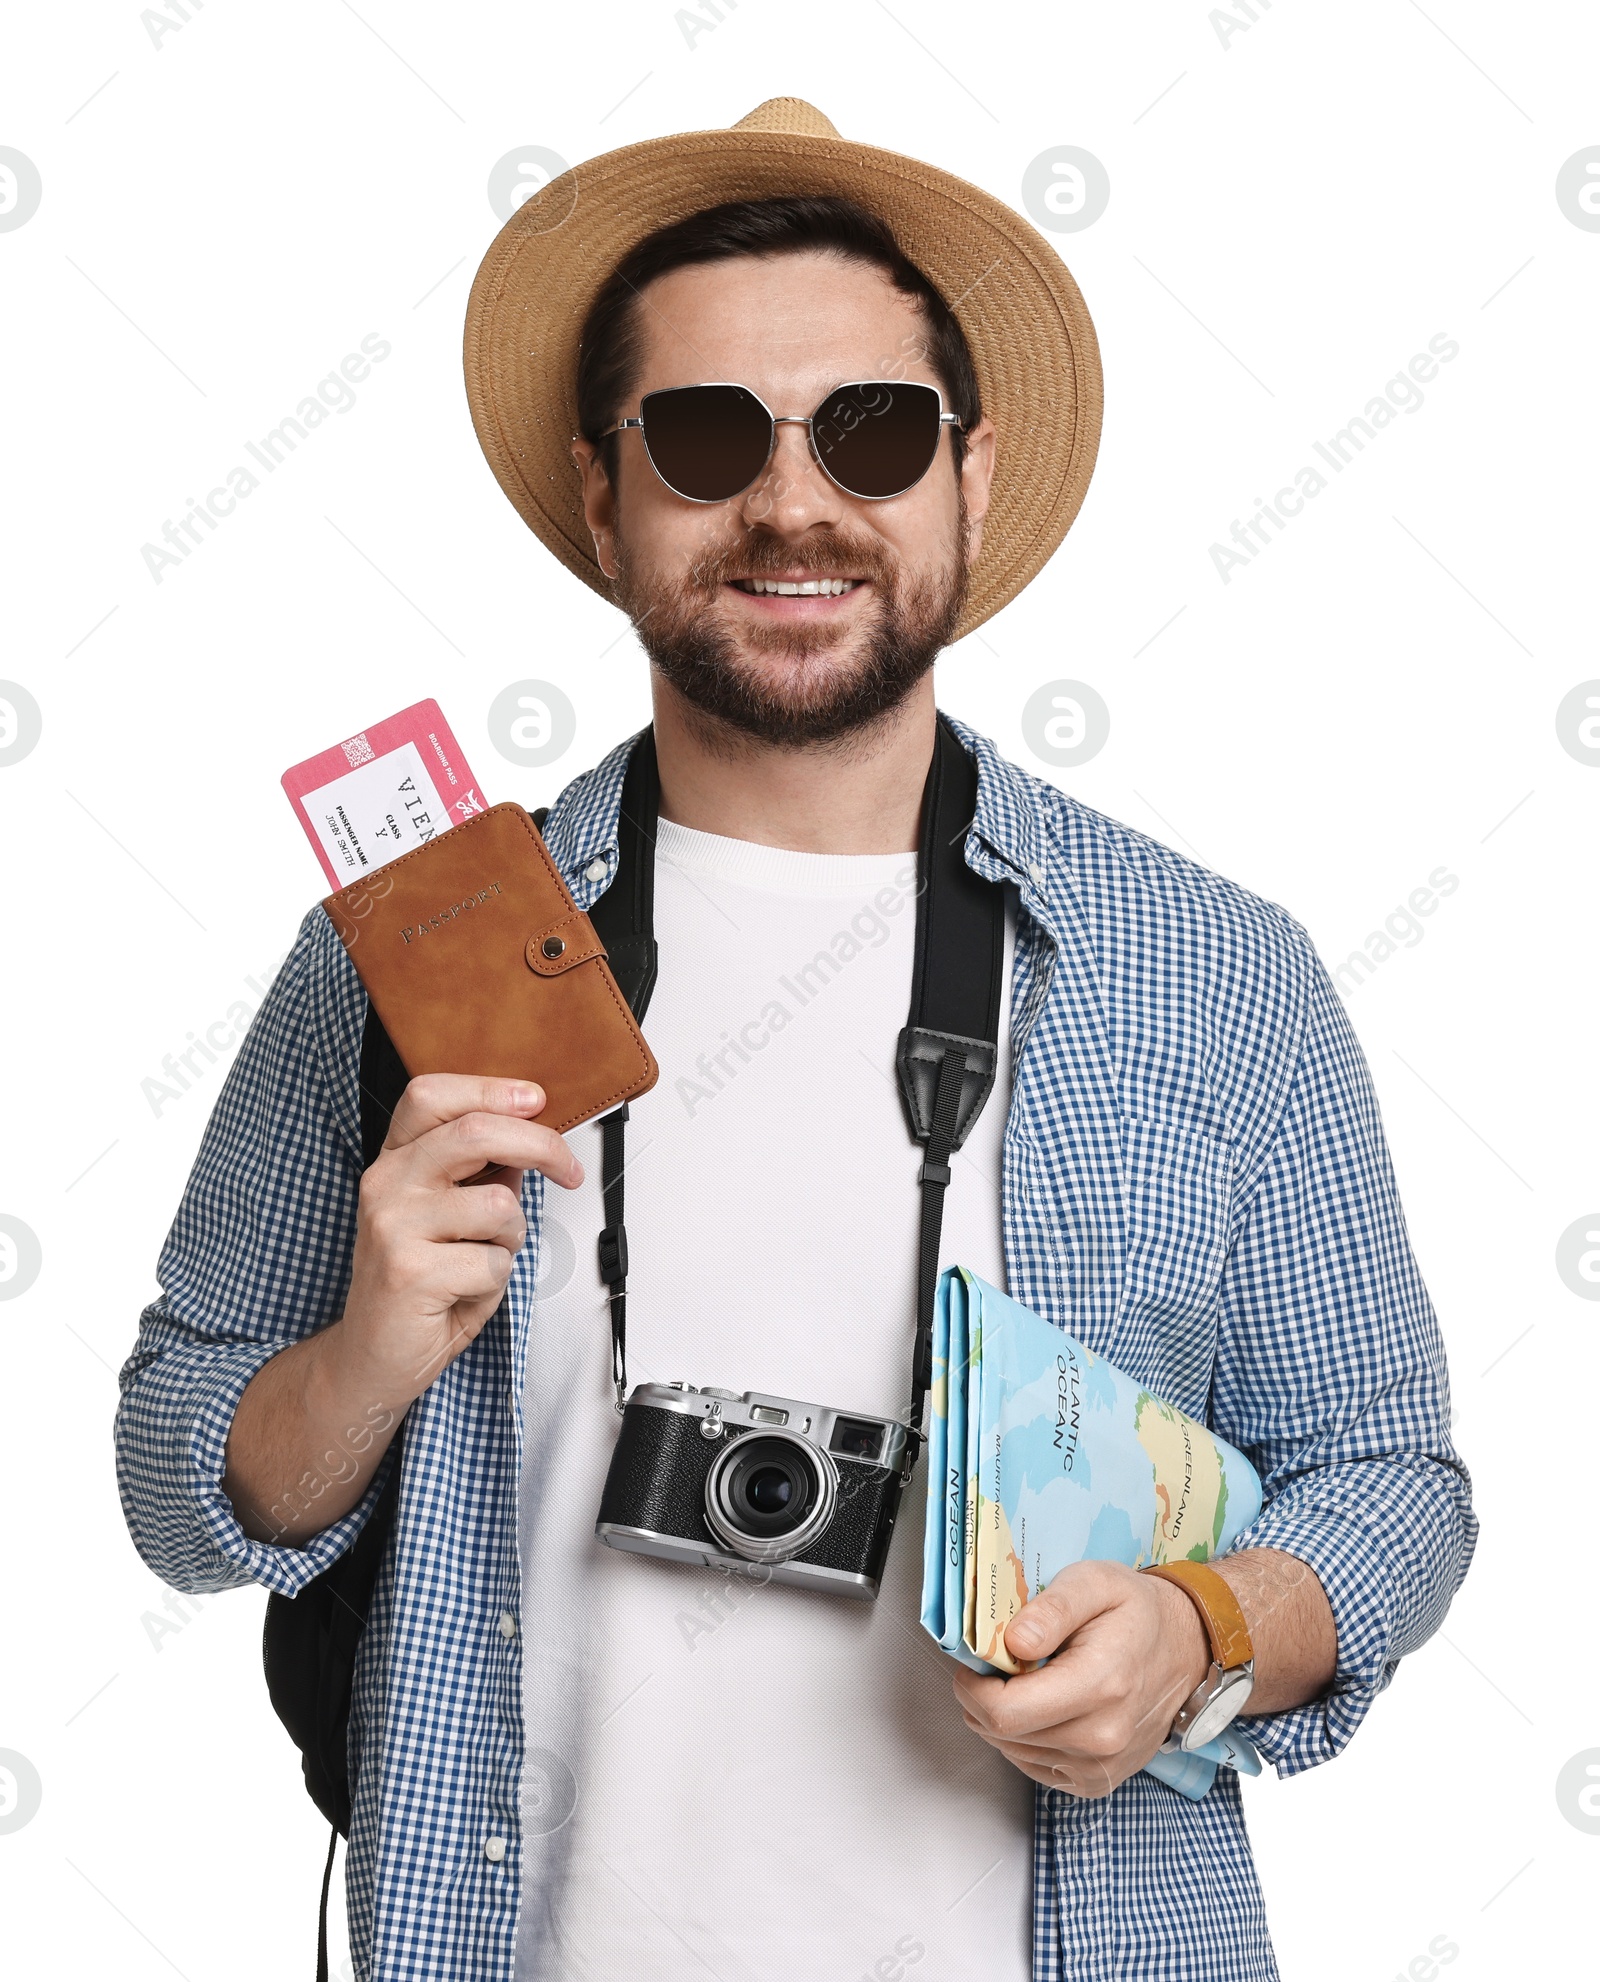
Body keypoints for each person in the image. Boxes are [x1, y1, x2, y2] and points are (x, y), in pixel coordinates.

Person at [115, 98, 1477, 1982]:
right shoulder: (407, 951)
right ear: (604, 499)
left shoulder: (1215, 974)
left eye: (873, 430)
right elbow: (181, 1472)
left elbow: (1393, 1481)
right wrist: (365, 1354)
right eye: (700, 438)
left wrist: (1209, 1632)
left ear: (967, 483)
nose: (792, 502)